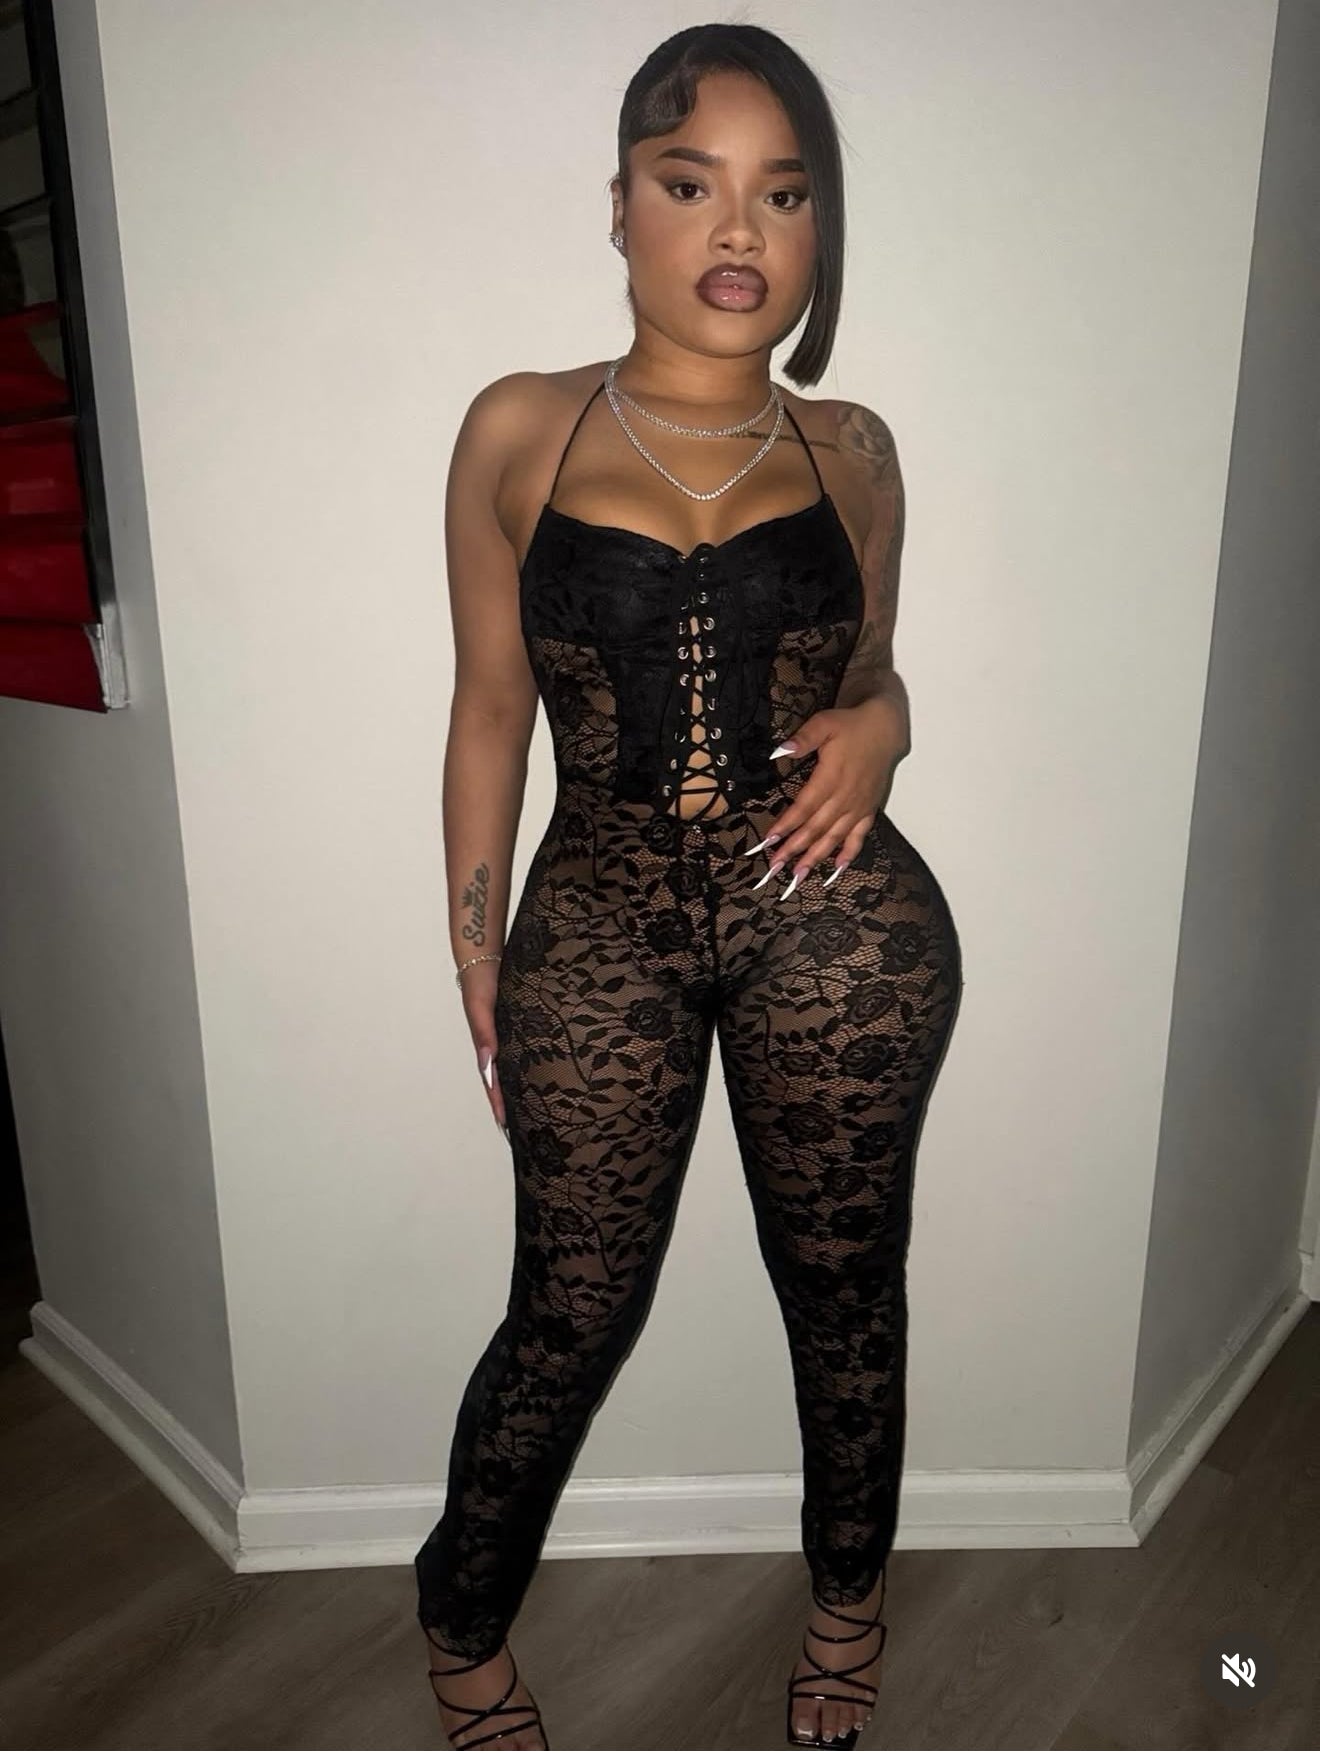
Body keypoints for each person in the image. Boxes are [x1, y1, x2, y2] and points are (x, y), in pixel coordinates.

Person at [414, 22, 963, 1752]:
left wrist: (887, 724)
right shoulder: (519, 425)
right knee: (571, 1305)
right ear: (621, 207)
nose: (739, 229)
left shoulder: (855, 447)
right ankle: (458, 1619)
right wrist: (475, 945)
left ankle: (849, 1606)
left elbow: (866, 678)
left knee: (846, 1290)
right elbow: (490, 707)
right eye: (690, 182)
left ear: (817, 229)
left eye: (783, 194)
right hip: (601, 912)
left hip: (838, 923)